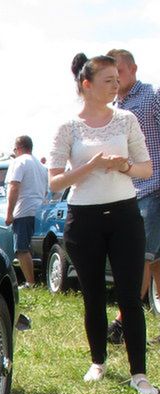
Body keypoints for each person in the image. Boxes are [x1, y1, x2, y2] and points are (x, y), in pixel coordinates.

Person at [48, 53, 156, 394]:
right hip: (84, 220)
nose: (115, 86)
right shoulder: (67, 127)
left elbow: (147, 169)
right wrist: (92, 164)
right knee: (93, 295)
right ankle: (99, 361)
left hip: (125, 214)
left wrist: (123, 166)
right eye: (108, 80)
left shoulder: (126, 120)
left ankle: (139, 373)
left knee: (128, 295)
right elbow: (55, 183)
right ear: (87, 85)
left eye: (116, 80)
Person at [106, 48, 160, 345]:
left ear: (134, 69)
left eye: (120, 74)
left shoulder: (152, 97)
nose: (115, 81)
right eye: (110, 77)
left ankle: (121, 322)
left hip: (153, 188)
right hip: (129, 191)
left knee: (141, 258)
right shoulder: (114, 106)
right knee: (154, 263)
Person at [4, 135, 48, 286]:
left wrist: (9, 213)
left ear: (19, 148)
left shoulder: (19, 161)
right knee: (33, 247)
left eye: (15, 149)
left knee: (22, 249)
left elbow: (14, 186)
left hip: (24, 209)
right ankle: (38, 279)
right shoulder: (41, 166)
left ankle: (31, 282)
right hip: (39, 209)